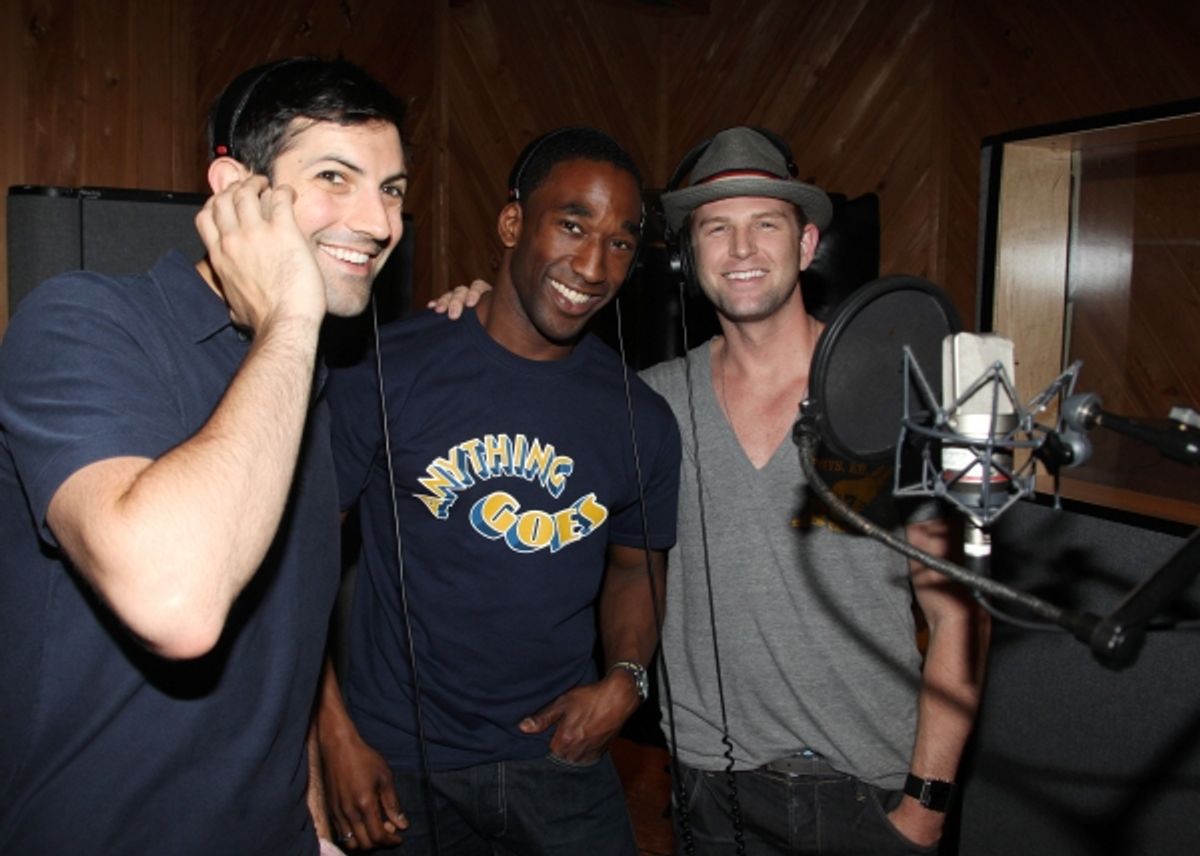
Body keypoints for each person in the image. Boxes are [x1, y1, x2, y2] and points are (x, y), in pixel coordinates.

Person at [433, 125, 990, 855]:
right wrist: (478, 313)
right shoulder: (648, 407)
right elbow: (525, 443)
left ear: (808, 244)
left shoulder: (898, 399)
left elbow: (961, 615)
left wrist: (926, 806)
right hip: (711, 793)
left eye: (767, 224)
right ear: (688, 258)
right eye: (716, 229)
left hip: (873, 794)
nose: (743, 249)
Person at [0, 57, 408, 855]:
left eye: (392, 188)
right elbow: (177, 604)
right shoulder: (83, 322)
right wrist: (290, 320)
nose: (379, 221)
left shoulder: (305, 384)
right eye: (336, 176)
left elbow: (279, 667)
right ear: (235, 189)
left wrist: (315, 828)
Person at [312, 127, 682, 855]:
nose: (592, 264)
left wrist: (628, 678)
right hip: (398, 761)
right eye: (572, 226)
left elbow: (637, 568)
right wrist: (333, 734)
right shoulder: (388, 370)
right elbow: (295, 564)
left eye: (619, 242)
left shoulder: (640, 416)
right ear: (514, 224)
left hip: (559, 759)